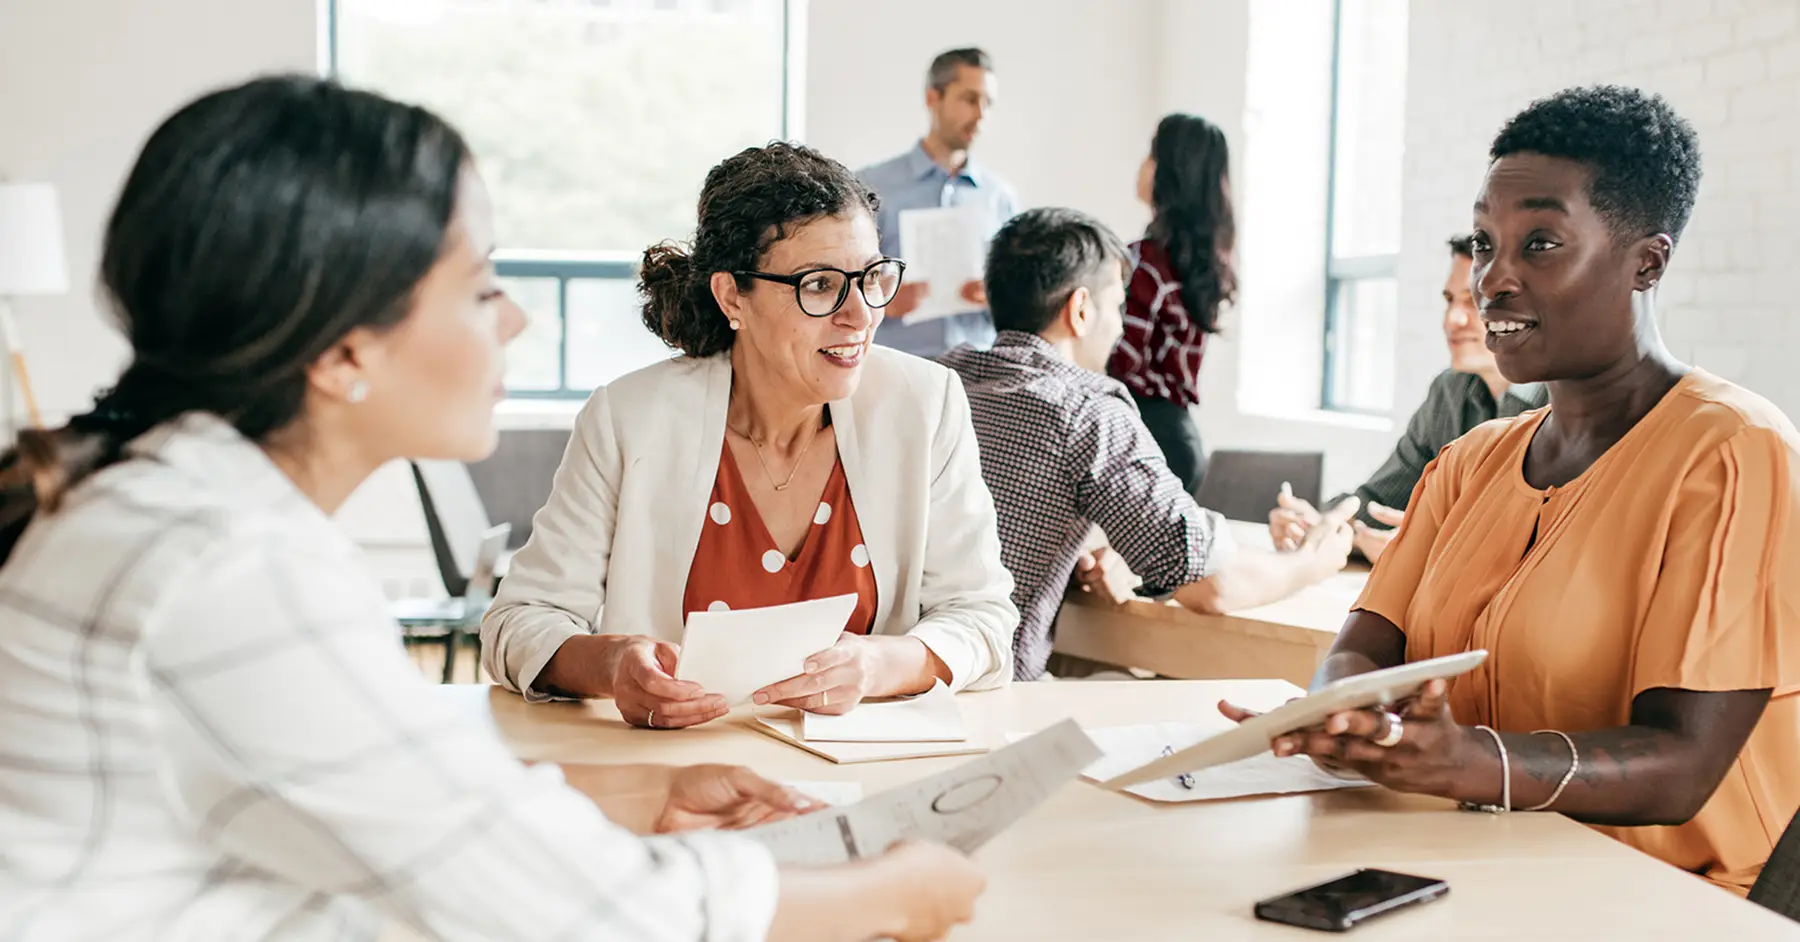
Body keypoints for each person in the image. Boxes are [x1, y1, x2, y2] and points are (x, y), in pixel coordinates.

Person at [0, 76, 985, 941]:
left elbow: (400, 799)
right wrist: (889, 892)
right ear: (343, 352)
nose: (515, 317)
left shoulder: (175, 506)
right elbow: (585, 916)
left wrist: (634, 799)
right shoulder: (227, 572)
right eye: (479, 289)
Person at [1226, 86, 1800, 896]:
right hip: (1466, 865)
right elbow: (1362, 649)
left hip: (1663, 897)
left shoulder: (1735, 453)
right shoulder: (1469, 462)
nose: (1493, 278)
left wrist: (1472, 762)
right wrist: (1337, 715)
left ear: (1648, 261)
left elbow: (1684, 766)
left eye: (1540, 243)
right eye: (1484, 242)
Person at [482, 142, 1017, 727]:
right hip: (672, 779)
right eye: (819, 285)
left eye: (870, 277)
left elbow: (982, 617)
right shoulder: (630, 418)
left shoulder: (924, 403)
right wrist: (611, 664)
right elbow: (519, 622)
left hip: (862, 778)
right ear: (733, 294)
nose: (860, 313)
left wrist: (880, 663)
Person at [941, 208, 1356, 682]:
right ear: (1080, 310)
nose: (1120, 328)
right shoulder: (1087, 411)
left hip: (899, 673)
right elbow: (1212, 585)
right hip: (986, 691)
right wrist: (1310, 564)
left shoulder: (942, 378)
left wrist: (1105, 539)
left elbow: (1007, 501)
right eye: (1117, 307)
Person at [1268, 235, 1548, 562]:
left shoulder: (1565, 404)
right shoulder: (1449, 391)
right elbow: (1379, 500)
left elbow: (1545, 550)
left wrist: (1428, 547)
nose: (1452, 320)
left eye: (1472, 302)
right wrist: (1321, 523)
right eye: (1449, 300)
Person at [858, 47, 1019, 358]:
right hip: (895, 367)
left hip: (977, 376)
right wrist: (878, 295)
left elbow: (1021, 298)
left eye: (989, 103)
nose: (981, 114)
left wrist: (996, 294)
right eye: (970, 99)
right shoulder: (870, 187)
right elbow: (839, 275)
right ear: (933, 98)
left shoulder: (1001, 198)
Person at [1106, 113, 1237, 494]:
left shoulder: (1141, 264)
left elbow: (1117, 366)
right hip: (1181, 443)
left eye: (1152, 155)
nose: (1142, 166)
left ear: (1171, 173)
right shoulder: (1204, 263)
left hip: (1142, 441)